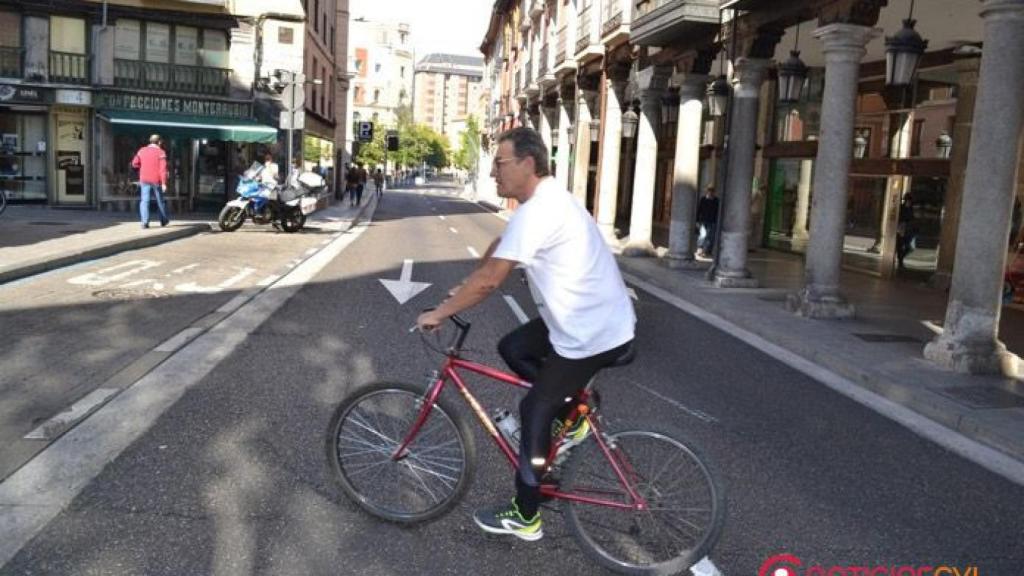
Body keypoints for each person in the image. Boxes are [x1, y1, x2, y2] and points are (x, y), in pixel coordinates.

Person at [416, 127, 636, 542]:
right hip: (588, 320)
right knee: (513, 347)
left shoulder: (541, 212)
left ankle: (525, 513)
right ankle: (572, 418)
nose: (494, 172)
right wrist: (464, 282)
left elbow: (490, 282)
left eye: (500, 163)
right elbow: (500, 248)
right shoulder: (543, 203)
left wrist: (442, 311)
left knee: (535, 409)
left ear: (527, 164)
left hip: (591, 333)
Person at [132, 134, 169, 229]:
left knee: (144, 201)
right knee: (160, 200)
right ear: (159, 142)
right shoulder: (161, 152)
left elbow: (134, 163)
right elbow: (163, 169)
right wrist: (164, 183)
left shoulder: (142, 150)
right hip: (156, 180)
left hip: (144, 178)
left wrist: (142, 168)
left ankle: (145, 222)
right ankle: (163, 220)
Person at [696, 185, 719, 257]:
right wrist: (697, 220)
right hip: (703, 220)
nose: (710, 193)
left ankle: (707, 250)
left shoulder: (716, 200)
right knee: (703, 235)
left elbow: (717, 211)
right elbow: (699, 210)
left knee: (710, 237)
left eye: (712, 192)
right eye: (709, 191)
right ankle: (700, 249)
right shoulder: (703, 199)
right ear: (707, 192)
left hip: (712, 221)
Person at [896, 192, 916, 269]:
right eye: (907, 201)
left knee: (909, 247)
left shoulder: (911, 209)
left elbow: (912, 218)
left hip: (907, 229)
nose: (909, 202)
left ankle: (900, 259)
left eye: (910, 201)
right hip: (901, 228)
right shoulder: (901, 208)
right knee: (900, 246)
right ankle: (900, 261)